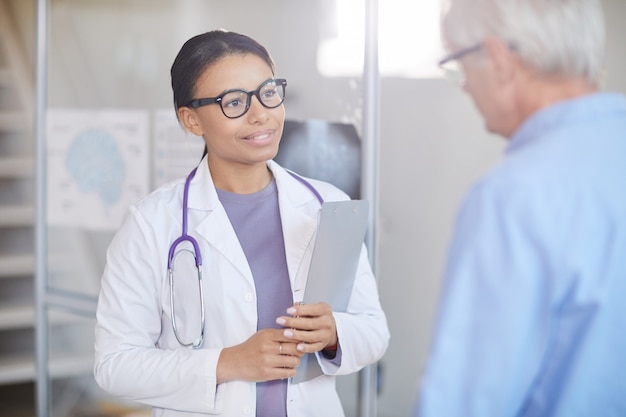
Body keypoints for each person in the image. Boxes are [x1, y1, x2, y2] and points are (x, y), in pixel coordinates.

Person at [94, 29, 389, 417]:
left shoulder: (329, 204)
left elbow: (373, 330)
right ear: (191, 120)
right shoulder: (152, 223)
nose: (260, 113)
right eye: (234, 101)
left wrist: (334, 334)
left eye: (268, 92)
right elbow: (114, 366)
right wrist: (229, 362)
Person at [413, 0, 626, 416]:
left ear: (498, 59)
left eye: (457, 62)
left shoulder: (510, 195)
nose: (464, 86)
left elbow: (467, 401)